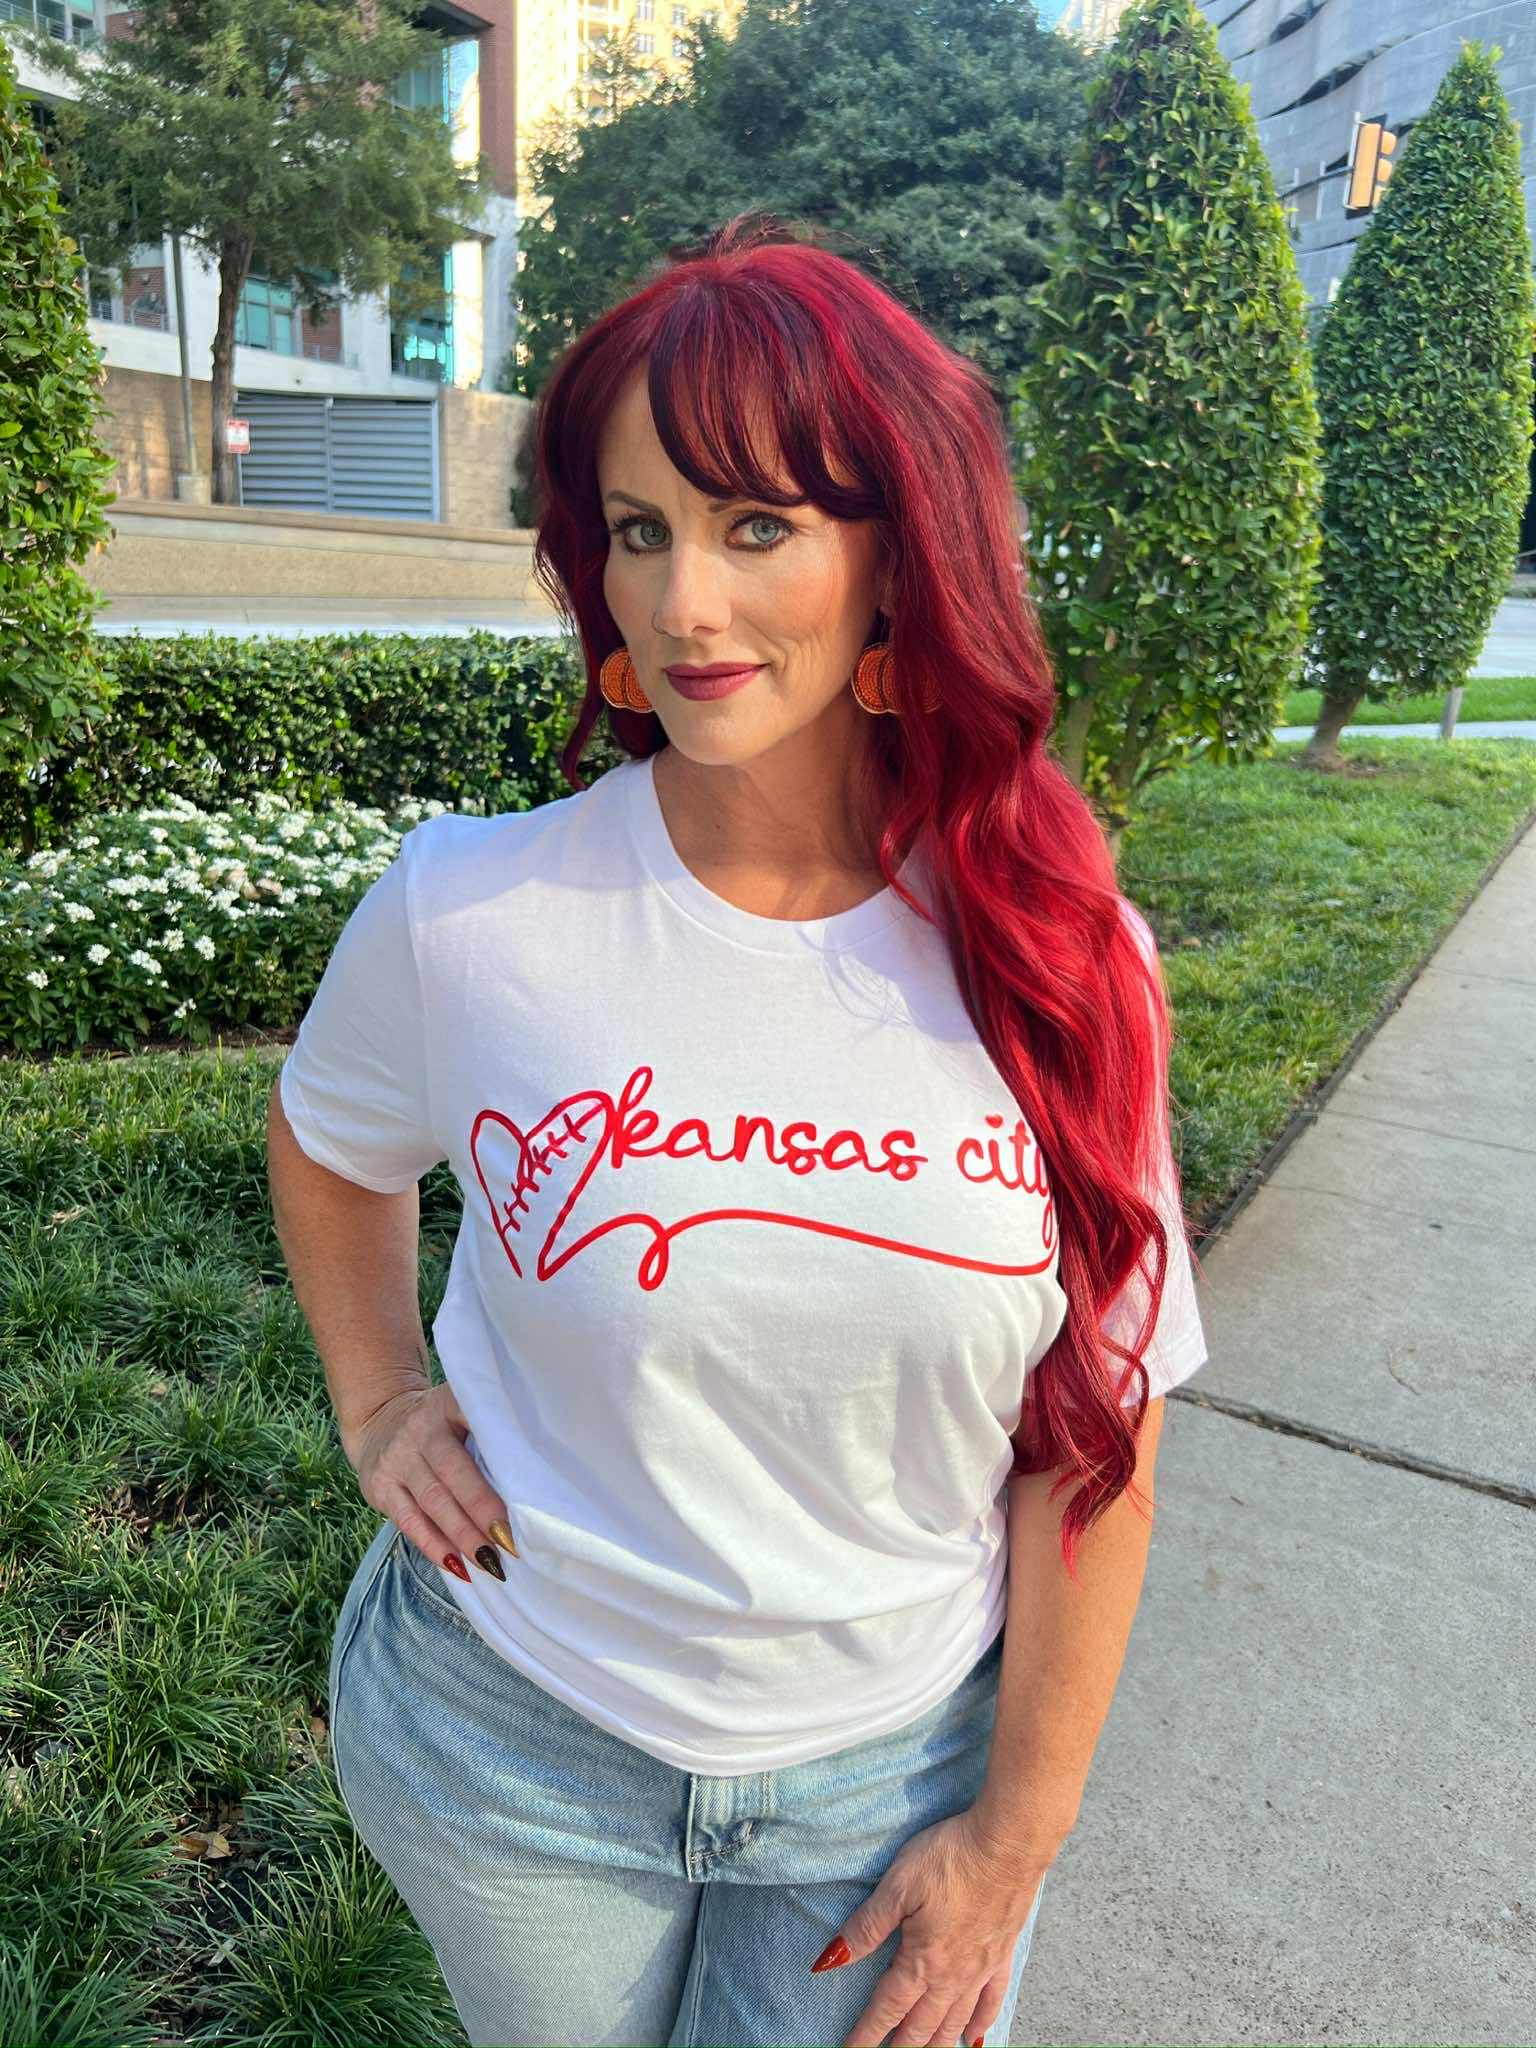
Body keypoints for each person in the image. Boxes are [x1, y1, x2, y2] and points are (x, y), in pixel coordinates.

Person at [267, 211, 1209, 2048]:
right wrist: (379, 1398)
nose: (682, 604)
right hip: (514, 1743)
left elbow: (1098, 1433)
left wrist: (1018, 1836)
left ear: (896, 556)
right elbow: (329, 1142)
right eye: (640, 530)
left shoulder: (1061, 959)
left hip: (896, 1777)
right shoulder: (475, 912)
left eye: (757, 525)